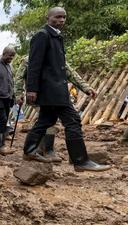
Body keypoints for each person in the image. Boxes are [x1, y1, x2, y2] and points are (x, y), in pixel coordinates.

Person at [23, 7, 110, 172]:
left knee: (45, 121)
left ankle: (29, 151)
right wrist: (31, 89)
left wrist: (85, 88)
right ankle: (80, 160)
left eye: (64, 17)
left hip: (55, 89)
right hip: (52, 90)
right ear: (48, 17)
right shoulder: (42, 35)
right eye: (58, 17)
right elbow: (34, 65)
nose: (61, 20)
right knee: (73, 120)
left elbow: (64, 69)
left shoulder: (56, 36)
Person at [15, 56, 96, 162]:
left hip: (55, 95)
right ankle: (47, 151)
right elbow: (19, 77)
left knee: (46, 121)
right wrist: (18, 93)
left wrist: (86, 87)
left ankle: (36, 150)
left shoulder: (56, 56)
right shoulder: (29, 59)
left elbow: (71, 73)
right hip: (38, 96)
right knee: (49, 122)